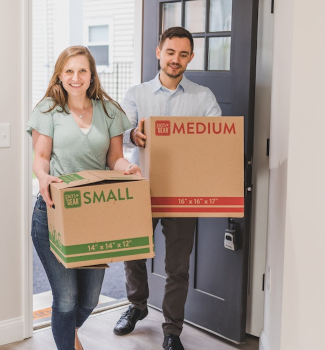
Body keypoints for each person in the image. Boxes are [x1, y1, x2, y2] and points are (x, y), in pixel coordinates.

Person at [113, 27, 222, 350]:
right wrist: (134, 135)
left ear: (190, 58)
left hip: (182, 193)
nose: (176, 60)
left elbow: (218, 140)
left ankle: (172, 329)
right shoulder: (136, 93)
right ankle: (137, 305)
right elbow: (119, 134)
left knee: (177, 266)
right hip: (141, 188)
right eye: (171, 52)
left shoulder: (203, 97)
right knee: (133, 254)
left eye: (183, 54)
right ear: (159, 52)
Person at [28, 45, 142, 350]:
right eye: (69, 71)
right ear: (60, 75)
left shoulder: (109, 111)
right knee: (65, 299)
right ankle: (68, 341)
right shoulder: (48, 111)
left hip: (93, 213)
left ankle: (67, 330)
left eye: (82, 70)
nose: (75, 77)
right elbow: (40, 158)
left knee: (89, 299)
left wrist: (128, 168)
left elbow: (115, 158)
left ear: (92, 75)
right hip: (53, 213)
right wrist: (43, 177)